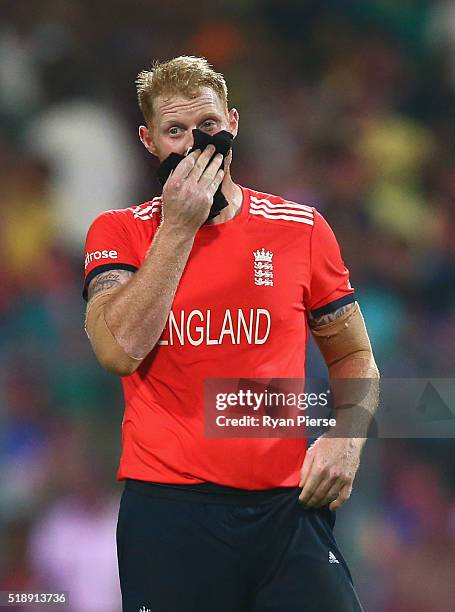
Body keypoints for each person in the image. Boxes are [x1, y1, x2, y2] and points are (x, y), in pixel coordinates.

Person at [82, 56, 379, 612]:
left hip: (288, 512)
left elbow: (355, 355)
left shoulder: (301, 229)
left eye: (209, 128)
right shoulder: (120, 231)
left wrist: (346, 438)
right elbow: (117, 350)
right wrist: (178, 228)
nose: (197, 145)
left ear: (233, 124)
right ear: (148, 140)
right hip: (171, 514)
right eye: (176, 131)